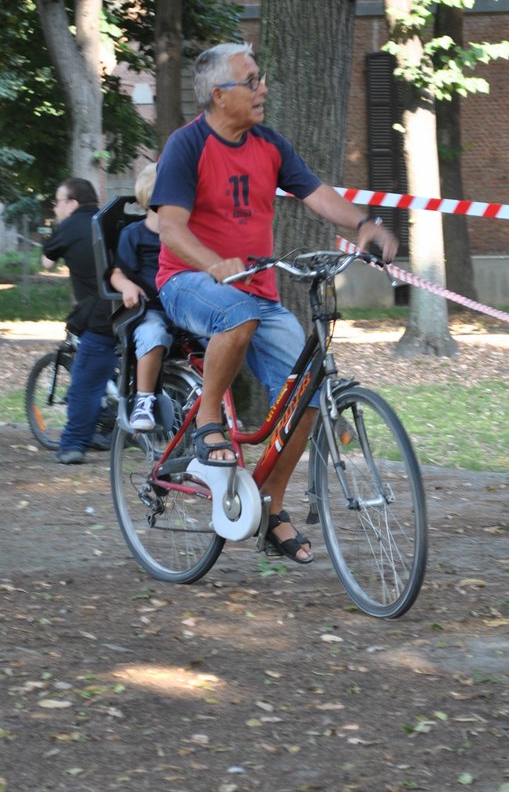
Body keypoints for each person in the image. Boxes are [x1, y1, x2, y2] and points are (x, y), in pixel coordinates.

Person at [151, 42, 398, 564]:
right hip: (189, 283)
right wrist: (213, 262)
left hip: (257, 291)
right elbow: (170, 227)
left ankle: (272, 505)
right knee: (233, 313)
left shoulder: (268, 144)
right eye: (253, 81)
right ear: (219, 95)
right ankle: (206, 423)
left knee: (308, 389)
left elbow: (314, 191)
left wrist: (363, 224)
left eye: (261, 79)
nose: (263, 89)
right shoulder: (186, 145)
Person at [41, 178, 118, 465]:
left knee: (83, 385)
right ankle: (107, 428)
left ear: (72, 203)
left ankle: (73, 445)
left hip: (100, 317)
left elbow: (47, 262)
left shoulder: (70, 226)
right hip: (133, 308)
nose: (55, 207)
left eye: (58, 202)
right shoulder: (110, 218)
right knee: (109, 371)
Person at [108, 163, 173, 432]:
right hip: (150, 309)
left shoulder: (186, 234)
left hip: (186, 305)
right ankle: (144, 399)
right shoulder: (132, 235)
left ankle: (215, 407)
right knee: (152, 334)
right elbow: (116, 273)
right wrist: (126, 287)